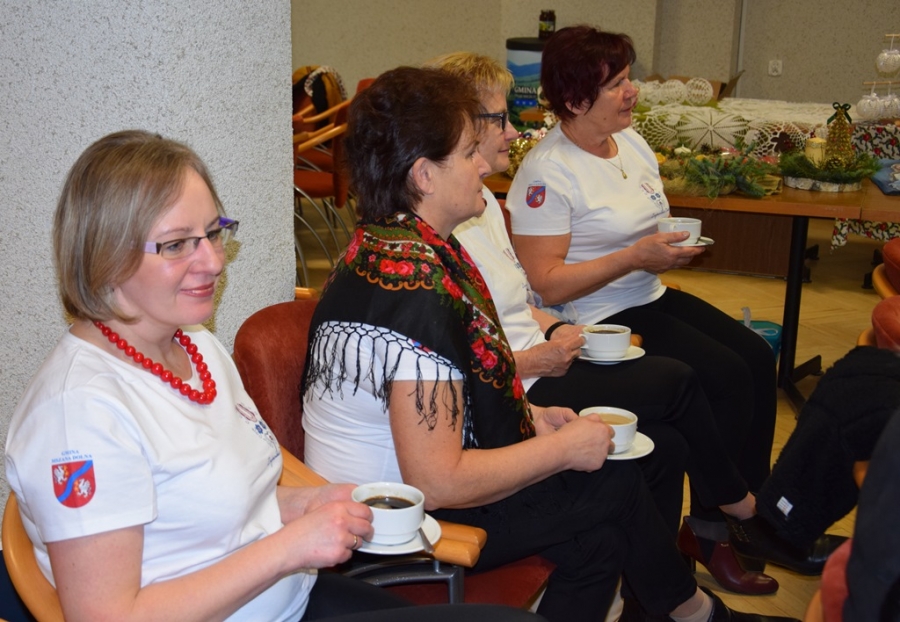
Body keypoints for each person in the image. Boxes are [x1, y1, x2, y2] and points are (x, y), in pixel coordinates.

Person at [301, 66, 797, 622]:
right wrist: (561, 450)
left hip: (401, 493)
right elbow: (436, 482)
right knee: (614, 482)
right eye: (468, 153)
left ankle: (686, 611)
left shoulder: (392, 247)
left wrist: (532, 417)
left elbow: (457, 392)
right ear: (424, 175)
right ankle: (698, 614)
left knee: (605, 533)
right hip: (393, 522)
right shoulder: (417, 290)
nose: (483, 164)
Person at [3, 130, 539, 622]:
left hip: (293, 599)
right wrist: (290, 547)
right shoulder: (79, 414)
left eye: (214, 233)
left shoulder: (194, 344)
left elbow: (215, 512)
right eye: (176, 244)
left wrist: (305, 504)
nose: (213, 262)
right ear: (104, 255)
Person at [424, 51, 782, 597]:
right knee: (686, 380)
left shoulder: (484, 205)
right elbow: (459, 356)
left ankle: (661, 592)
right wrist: (542, 348)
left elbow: (515, 302)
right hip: (523, 377)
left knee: (681, 429)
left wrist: (553, 331)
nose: (514, 131)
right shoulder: (444, 227)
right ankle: (741, 512)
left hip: (552, 345)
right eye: (501, 118)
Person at [503, 25, 804, 573]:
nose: (632, 91)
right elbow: (547, 283)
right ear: (575, 100)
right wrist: (635, 256)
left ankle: (748, 518)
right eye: (617, 84)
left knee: (757, 359)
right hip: (598, 315)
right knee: (725, 375)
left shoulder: (632, 142)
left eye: (628, 78)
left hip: (648, 291)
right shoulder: (546, 172)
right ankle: (717, 529)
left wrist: (665, 249)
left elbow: (639, 224)